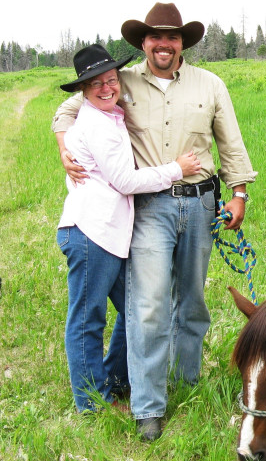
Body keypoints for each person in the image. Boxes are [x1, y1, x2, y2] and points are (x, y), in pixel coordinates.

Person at [52, 3, 257, 440]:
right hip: (147, 207)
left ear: (183, 42)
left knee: (193, 302)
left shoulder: (211, 84)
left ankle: (185, 381)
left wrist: (239, 194)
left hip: (201, 204)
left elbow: (231, 144)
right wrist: (62, 148)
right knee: (147, 306)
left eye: (172, 37)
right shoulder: (120, 82)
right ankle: (147, 406)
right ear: (142, 42)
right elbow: (68, 110)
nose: (163, 44)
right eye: (155, 37)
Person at [56, 44, 201, 414]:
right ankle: (91, 403)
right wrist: (175, 169)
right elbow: (123, 180)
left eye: (110, 80)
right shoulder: (95, 124)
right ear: (83, 91)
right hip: (92, 232)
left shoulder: (109, 116)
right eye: (95, 85)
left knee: (133, 307)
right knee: (87, 317)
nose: (106, 88)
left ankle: (118, 379)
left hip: (108, 233)